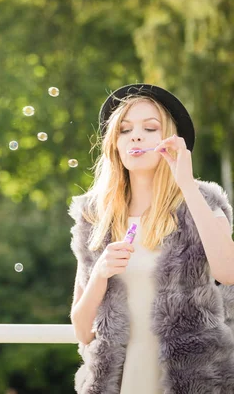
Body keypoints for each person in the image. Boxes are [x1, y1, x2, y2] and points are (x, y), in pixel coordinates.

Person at [68, 84, 234, 394]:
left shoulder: (203, 204)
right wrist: (100, 274)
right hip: (120, 382)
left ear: (169, 140)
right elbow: (82, 328)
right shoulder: (96, 217)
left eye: (150, 128)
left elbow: (229, 272)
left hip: (191, 379)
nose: (137, 136)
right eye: (125, 129)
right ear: (114, 143)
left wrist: (186, 183)